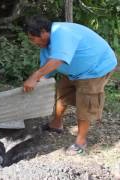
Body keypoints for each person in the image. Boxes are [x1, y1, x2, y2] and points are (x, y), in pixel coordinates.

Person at [23, 16, 118, 155]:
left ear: (43, 31)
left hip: (95, 69)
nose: (32, 42)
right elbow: (46, 70)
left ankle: (81, 142)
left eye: (32, 38)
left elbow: (58, 59)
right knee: (62, 93)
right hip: (73, 72)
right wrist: (35, 82)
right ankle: (56, 124)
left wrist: (34, 77)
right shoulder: (46, 46)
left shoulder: (62, 33)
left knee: (85, 102)